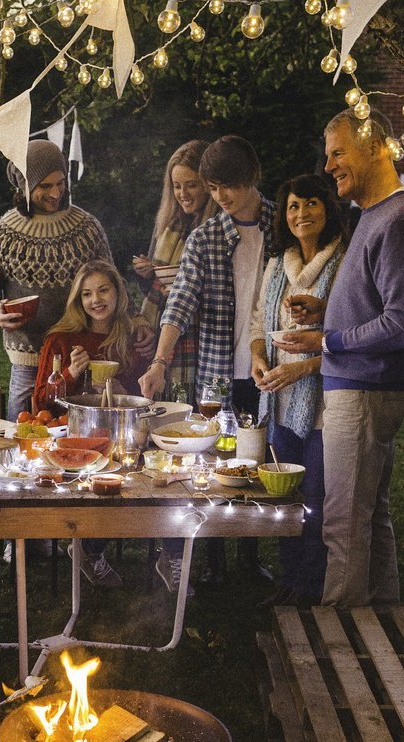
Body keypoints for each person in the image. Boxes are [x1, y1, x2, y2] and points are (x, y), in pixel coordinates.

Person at [281, 110, 404, 607]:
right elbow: (380, 303)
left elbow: (402, 323)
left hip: (367, 388)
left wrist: (326, 342)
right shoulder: (374, 215)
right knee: (370, 515)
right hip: (360, 384)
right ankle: (384, 616)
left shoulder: (402, 219)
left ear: (376, 148)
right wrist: (328, 311)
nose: (328, 166)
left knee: (343, 522)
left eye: (338, 152)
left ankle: (339, 633)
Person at [140, 136, 275, 592]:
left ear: (252, 177)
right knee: (218, 468)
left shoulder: (284, 224)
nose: (220, 197)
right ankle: (216, 561)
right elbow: (178, 305)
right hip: (218, 372)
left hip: (273, 369)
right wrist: (159, 362)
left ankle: (252, 556)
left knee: (260, 467)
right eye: (214, 188)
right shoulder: (205, 238)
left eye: (227, 186)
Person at [249, 174, 348, 608]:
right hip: (278, 395)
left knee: (317, 499)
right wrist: (258, 358)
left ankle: (312, 585)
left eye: (311, 203)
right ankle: (289, 579)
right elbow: (258, 324)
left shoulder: (342, 263)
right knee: (284, 497)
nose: (301, 213)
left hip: (324, 398)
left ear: (327, 208)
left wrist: (303, 368)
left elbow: (350, 336)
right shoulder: (277, 265)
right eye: (292, 206)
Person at [0, 139, 113, 420]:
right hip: (27, 362)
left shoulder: (88, 230)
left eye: (60, 183)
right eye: (45, 186)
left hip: (79, 358)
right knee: (23, 439)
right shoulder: (1, 235)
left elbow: (110, 287)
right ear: (24, 187)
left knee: (76, 440)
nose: (56, 192)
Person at [32, 260, 152, 589]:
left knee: (137, 479)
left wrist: (119, 390)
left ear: (118, 293)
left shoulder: (131, 337)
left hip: (121, 438)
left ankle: (90, 549)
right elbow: (40, 402)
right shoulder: (60, 340)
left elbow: (146, 395)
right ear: (77, 300)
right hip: (72, 438)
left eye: (103, 290)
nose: (95, 300)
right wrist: (69, 375)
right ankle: (89, 548)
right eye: (86, 294)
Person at [131, 140, 215, 405]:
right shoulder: (170, 227)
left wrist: (183, 290)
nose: (183, 194)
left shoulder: (215, 229)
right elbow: (153, 290)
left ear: (208, 184)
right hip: (163, 335)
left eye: (191, 184)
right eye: (177, 186)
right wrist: (146, 274)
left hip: (201, 340)